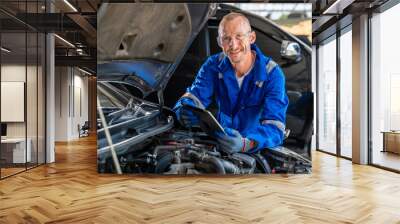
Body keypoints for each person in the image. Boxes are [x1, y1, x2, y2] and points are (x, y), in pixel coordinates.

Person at [173, 12, 288, 154]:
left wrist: (246, 144)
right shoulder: (213, 65)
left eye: (239, 36)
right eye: (226, 38)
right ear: (220, 42)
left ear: (251, 38)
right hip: (221, 143)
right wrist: (183, 109)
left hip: (255, 149)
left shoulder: (272, 74)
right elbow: (194, 96)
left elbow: (275, 127)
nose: (233, 45)